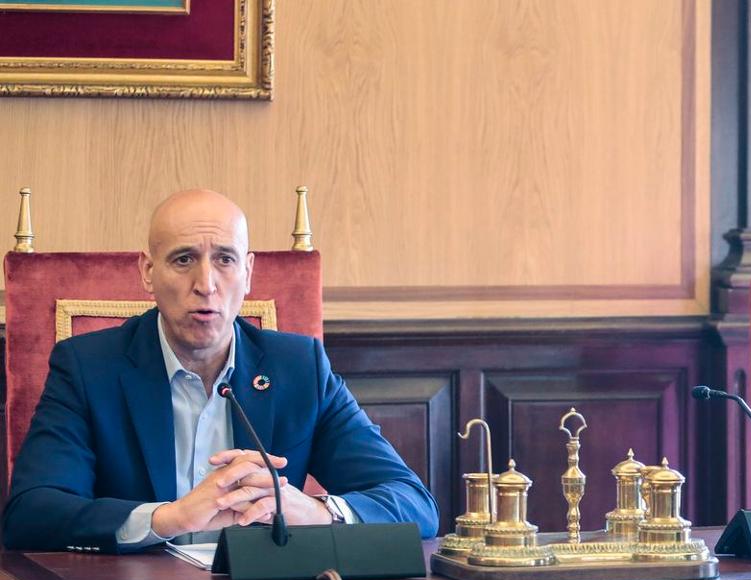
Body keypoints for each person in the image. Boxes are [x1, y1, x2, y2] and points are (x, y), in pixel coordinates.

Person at [3, 189, 438, 553]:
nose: (206, 284)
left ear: (247, 273)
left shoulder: (298, 368)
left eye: (225, 260)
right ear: (148, 272)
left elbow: (414, 504)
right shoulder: (88, 368)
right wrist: (168, 518)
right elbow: (31, 512)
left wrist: (317, 511)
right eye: (183, 260)